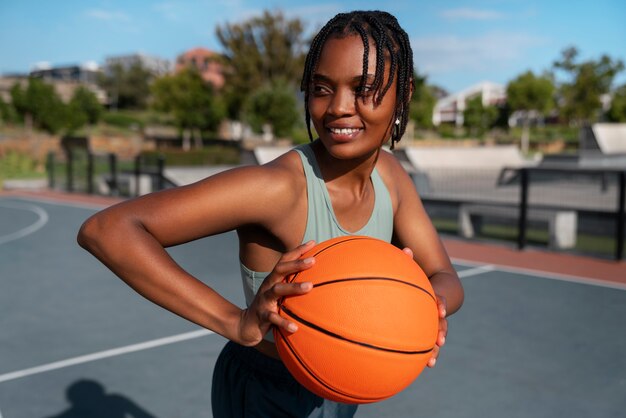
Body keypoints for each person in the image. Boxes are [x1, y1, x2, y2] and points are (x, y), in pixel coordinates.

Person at [78, 10, 464, 418]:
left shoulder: (390, 177)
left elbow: (445, 277)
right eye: (321, 88)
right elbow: (108, 229)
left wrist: (424, 308)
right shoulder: (280, 188)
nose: (338, 108)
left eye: (363, 88)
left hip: (344, 381)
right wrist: (234, 321)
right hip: (267, 391)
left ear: (402, 94)